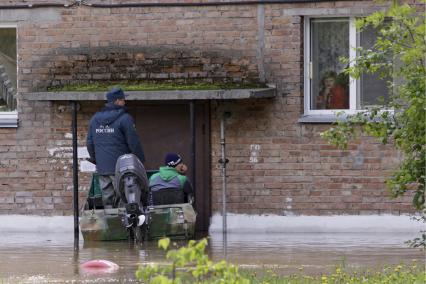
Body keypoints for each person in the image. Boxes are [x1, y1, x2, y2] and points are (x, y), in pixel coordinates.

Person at [87, 87, 145, 208]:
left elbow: (89, 143)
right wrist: (139, 161)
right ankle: (122, 225)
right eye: (123, 99)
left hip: (103, 167)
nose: (125, 102)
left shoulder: (94, 119)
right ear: (117, 101)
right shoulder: (125, 119)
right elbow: (133, 142)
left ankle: (110, 223)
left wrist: (96, 160)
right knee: (123, 198)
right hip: (122, 168)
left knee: (107, 199)